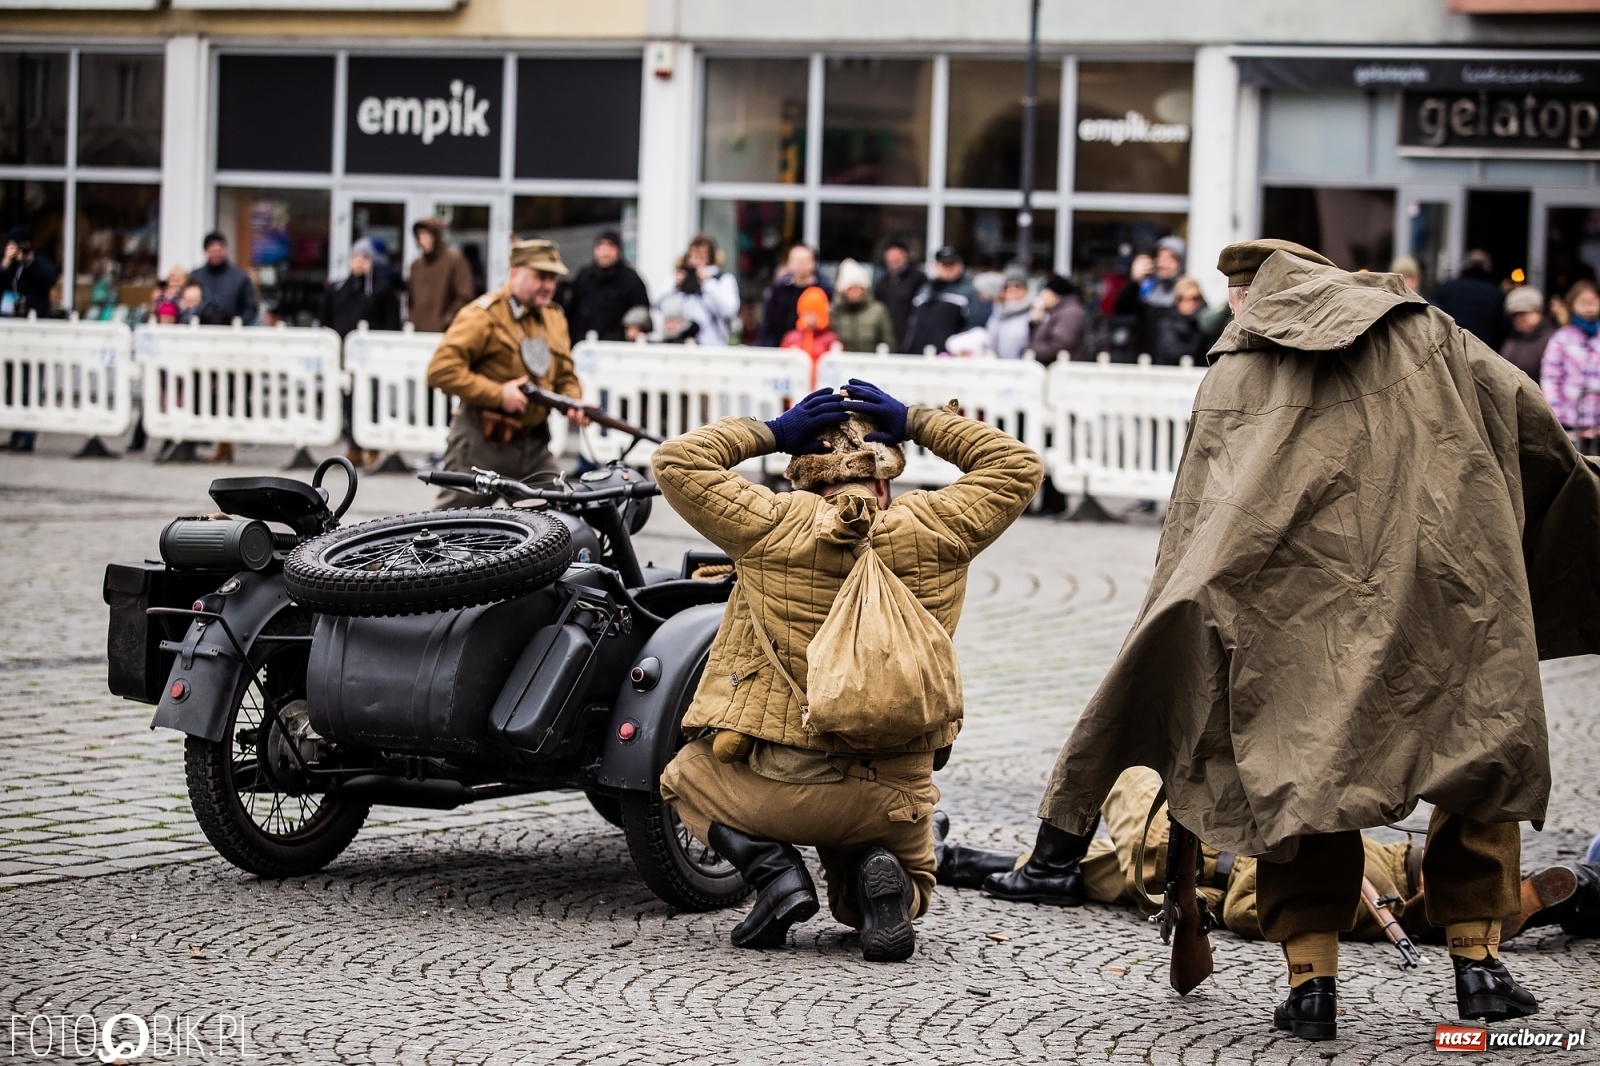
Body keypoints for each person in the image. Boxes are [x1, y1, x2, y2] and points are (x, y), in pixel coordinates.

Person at [1007, 238, 1600, 1042]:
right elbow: (1533, 429)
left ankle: (1313, 985)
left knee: (1300, 780)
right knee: (1472, 763)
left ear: (1254, 297)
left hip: (1294, 621)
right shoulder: (1431, 334)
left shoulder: (1234, 374)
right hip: (1446, 592)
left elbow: (1197, 524)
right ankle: (1479, 966)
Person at [652, 380, 1043, 961]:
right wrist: (915, 419)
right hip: (896, 788)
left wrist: (772, 431)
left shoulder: (772, 525)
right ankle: (873, 885)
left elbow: (677, 461)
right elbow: (1016, 465)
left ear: (807, 474)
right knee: (907, 885)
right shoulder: (938, 526)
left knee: (684, 777)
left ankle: (775, 875)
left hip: (787, 786)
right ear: (885, 478)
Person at [937, 770, 1600, 947]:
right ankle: (953, 860)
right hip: (1192, 863)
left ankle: (983, 865)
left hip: (1197, 864)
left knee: (1124, 765)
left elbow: (1255, 912)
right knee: (1092, 875)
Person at [425, 238, 589, 509]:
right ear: (514, 273)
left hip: (534, 447)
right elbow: (441, 370)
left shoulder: (554, 317)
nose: (549, 285)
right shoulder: (483, 315)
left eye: (553, 278)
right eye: (540, 276)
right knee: (452, 532)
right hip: (481, 444)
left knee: (562, 525)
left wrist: (574, 401)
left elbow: (565, 376)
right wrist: (499, 394)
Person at [1540, 279, 1600, 455]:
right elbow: (1550, 378)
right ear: (1572, 305)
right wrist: (1555, 415)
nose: (1589, 307)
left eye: (1593, 302)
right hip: (1570, 421)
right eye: (1583, 302)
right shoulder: (1561, 338)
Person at [563, 230, 649, 343]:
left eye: (610, 247)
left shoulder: (631, 280)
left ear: (618, 251)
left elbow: (641, 312)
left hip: (616, 349)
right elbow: (571, 310)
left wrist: (636, 327)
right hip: (582, 345)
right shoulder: (584, 276)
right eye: (600, 246)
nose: (605, 252)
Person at [1112, 235, 1187, 361]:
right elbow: (1122, 310)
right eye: (1161, 257)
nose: (1164, 263)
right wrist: (1134, 283)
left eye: (1171, 258)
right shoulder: (1147, 289)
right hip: (1143, 361)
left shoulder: (1187, 292)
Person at [901, 247, 984, 355]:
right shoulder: (924, 290)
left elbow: (975, 328)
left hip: (948, 358)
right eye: (945, 264)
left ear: (960, 265)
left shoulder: (968, 293)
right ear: (936, 265)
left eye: (952, 264)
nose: (949, 268)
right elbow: (913, 323)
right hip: (918, 355)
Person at [664, 233, 740, 346]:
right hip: (682, 345)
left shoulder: (722, 280)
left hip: (712, 346)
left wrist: (707, 283)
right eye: (693, 255)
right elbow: (657, 304)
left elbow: (730, 309)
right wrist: (674, 286)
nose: (696, 261)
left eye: (701, 256)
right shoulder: (681, 279)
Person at [407, 217, 475, 334]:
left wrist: (447, 321)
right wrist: (412, 321)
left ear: (436, 236)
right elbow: (411, 300)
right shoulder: (416, 266)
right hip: (418, 332)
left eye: (428, 236)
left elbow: (465, 296)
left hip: (447, 332)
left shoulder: (455, 261)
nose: (424, 241)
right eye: (421, 237)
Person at [758, 243, 830, 347]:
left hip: (815, 349)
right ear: (789, 263)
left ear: (813, 263)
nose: (800, 264)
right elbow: (769, 322)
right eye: (796, 260)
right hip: (782, 347)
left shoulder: (824, 289)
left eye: (804, 260)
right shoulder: (779, 289)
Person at [1433, 249, 1506, 349]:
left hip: (1451, 347)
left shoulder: (1447, 287)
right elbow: (1500, 329)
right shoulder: (1495, 293)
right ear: (1487, 267)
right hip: (1481, 349)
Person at [188, 232, 259, 326]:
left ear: (225, 249)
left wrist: (241, 322)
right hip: (200, 331)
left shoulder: (240, 277)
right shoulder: (195, 277)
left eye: (219, 250)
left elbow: (250, 307)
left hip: (231, 333)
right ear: (206, 251)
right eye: (212, 251)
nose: (216, 254)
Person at [779, 286, 841, 386]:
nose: (809, 317)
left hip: (821, 390)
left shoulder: (830, 340)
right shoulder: (791, 338)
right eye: (807, 313)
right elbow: (781, 366)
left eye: (814, 314)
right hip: (795, 389)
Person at [829, 259, 894, 354]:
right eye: (851, 289)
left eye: (859, 288)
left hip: (872, 364)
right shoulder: (835, 312)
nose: (855, 293)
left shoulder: (878, 311)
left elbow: (888, 340)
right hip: (843, 364)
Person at [873, 240, 926, 351]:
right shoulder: (881, 283)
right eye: (890, 256)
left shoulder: (918, 279)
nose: (894, 259)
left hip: (911, 336)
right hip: (888, 336)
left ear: (905, 256)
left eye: (897, 255)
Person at [1027, 274, 1087, 365]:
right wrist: (1035, 323)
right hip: (1055, 370)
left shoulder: (1070, 313)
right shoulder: (1056, 311)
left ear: (1052, 293)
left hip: (1062, 372)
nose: (1042, 297)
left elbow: (1059, 345)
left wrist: (1031, 350)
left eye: (1044, 292)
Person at [1500, 286, 1555, 383]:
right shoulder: (1512, 339)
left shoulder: (1553, 340)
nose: (1519, 318)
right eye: (1515, 314)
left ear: (1538, 311)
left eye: (1524, 313)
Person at [986, 267, 1033, 360]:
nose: (1012, 290)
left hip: (1022, 368)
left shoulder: (1033, 313)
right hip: (996, 366)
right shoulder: (997, 313)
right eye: (1007, 287)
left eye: (1017, 286)